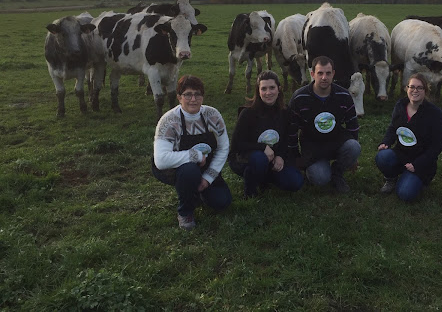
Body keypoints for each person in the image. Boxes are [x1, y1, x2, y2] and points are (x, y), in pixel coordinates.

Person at [153, 75, 232, 230]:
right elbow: (161, 160)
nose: (193, 99)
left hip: (206, 167)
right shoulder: (169, 121)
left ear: (203, 96)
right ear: (179, 97)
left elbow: (223, 148)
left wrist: (208, 178)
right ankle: (185, 212)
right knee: (190, 171)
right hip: (179, 169)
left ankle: (197, 193)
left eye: (197, 94)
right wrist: (195, 156)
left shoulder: (213, 115)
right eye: (187, 94)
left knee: (222, 202)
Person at [287, 56, 361, 193]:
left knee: (354, 147)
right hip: (312, 145)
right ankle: (316, 169)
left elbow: (352, 124)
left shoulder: (343, 95)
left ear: (333, 74)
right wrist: (295, 157)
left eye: (328, 73)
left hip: (336, 140)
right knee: (320, 179)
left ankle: (337, 173)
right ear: (312, 74)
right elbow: (291, 130)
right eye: (320, 73)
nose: (324, 77)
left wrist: (353, 158)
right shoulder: (299, 97)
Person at [229, 70, 304, 198]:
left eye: (272, 88)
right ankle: (250, 188)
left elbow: (286, 139)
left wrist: (280, 156)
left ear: (279, 89)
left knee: (295, 182)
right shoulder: (248, 113)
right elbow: (236, 145)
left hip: (273, 157)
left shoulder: (285, 112)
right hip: (248, 159)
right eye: (264, 89)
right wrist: (263, 147)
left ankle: (265, 178)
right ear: (258, 91)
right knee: (259, 159)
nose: (268, 93)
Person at [375, 73, 442, 201]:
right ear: (406, 88)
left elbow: (437, 146)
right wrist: (386, 142)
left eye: (419, 88)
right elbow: (392, 128)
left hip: (422, 162)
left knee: (405, 194)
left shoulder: (434, 113)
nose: (415, 90)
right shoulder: (400, 105)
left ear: (425, 90)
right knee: (382, 156)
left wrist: (417, 164)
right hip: (401, 154)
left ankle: (417, 180)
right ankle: (391, 179)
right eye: (412, 87)